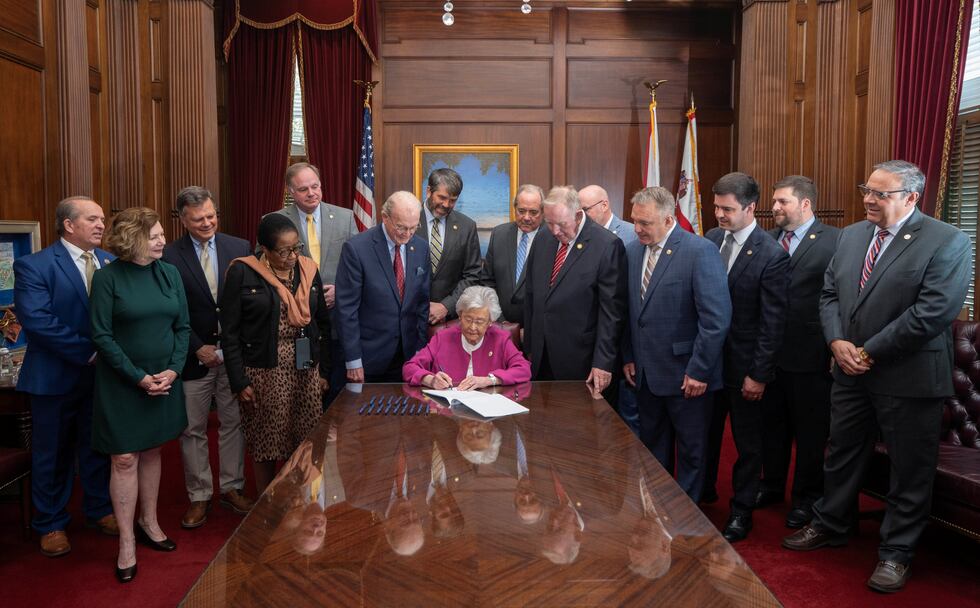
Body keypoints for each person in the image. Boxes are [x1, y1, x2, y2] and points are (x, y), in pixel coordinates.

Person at [783, 160, 972, 594]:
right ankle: (831, 524)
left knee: (909, 471)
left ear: (910, 198)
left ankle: (896, 554)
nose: (867, 199)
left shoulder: (948, 241)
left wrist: (868, 351)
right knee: (842, 455)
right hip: (849, 372)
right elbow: (829, 294)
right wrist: (836, 343)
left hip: (909, 377)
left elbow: (932, 313)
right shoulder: (851, 236)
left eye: (879, 193)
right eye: (865, 189)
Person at [89, 207, 190, 582]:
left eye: (162, 234)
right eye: (155, 235)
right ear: (132, 239)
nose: (163, 240)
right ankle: (126, 541)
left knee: (152, 450)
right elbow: (101, 335)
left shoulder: (170, 274)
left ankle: (150, 522)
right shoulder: (107, 278)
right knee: (125, 458)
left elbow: (183, 326)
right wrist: (139, 378)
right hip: (122, 383)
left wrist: (173, 371)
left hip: (165, 380)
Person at [13, 196, 117, 557]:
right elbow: (40, 323)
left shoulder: (111, 263)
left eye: (102, 218)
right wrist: (89, 353)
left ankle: (99, 509)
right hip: (53, 378)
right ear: (69, 225)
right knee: (52, 454)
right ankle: (51, 523)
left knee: (96, 447)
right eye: (93, 219)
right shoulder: (34, 266)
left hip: (101, 379)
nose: (102, 225)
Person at [622, 187, 731, 502]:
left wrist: (699, 371)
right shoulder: (632, 251)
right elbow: (630, 313)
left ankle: (686, 520)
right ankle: (657, 509)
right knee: (652, 448)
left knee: (691, 453)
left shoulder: (699, 251)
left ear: (669, 219)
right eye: (635, 222)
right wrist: (629, 356)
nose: (638, 229)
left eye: (645, 223)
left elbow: (716, 319)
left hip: (687, 377)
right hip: (645, 375)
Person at [703, 172, 790, 543]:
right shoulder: (709, 239)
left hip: (745, 370)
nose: (719, 214)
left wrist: (758, 374)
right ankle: (700, 497)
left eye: (728, 209)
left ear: (751, 208)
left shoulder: (771, 255)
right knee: (703, 436)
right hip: (707, 363)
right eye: (716, 206)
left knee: (748, 444)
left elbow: (773, 324)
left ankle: (741, 511)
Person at [162, 186, 254, 529]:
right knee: (192, 428)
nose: (207, 223)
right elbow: (170, 310)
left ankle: (232, 488)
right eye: (198, 218)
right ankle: (199, 495)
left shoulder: (239, 247)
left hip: (232, 354)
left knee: (233, 424)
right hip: (192, 355)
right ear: (183, 220)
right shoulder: (169, 255)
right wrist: (195, 345)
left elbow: (247, 303)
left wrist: (231, 346)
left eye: (212, 216)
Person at [220, 214, 331, 495]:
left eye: (297, 248)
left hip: (305, 371)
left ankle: (298, 503)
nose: (293, 256)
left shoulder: (308, 269)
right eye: (284, 251)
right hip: (263, 372)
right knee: (267, 445)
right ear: (265, 250)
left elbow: (323, 324)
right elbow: (229, 333)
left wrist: (323, 371)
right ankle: (266, 507)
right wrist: (239, 381)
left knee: (305, 441)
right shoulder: (243, 272)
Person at [757, 176, 839, 529]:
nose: (774, 208)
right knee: (771, 428)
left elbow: (839, 296)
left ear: (805, 204)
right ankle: (772, 485)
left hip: (811, 355)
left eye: (782, 202)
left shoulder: (836, 241)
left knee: (809, 434)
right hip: (769, 355)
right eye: (774, 201)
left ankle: (807, 498)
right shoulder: (765, 241)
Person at [522, 185, 627, 398]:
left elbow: (612, 313)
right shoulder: (543, 238)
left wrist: (603, 362)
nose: (555, 231)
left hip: (583, 362)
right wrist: (531, 348)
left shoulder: (607, 245)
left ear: (578, 216)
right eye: (549, 223)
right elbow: (532, 295)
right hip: (542, 359)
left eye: (561, 224)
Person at [275, 162, 358, 404]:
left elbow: (357, 265)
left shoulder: (345, 217)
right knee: (303, 393)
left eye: (315, 186)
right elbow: (267, 270)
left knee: (337, 389)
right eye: (303, 189)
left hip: (336, 315)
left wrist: (340, 291)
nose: (311, 193)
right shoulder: (275, 221)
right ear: (291, 191)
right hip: (295, 319)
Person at [335, 191, 430, 383]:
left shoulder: (421, 248)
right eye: (401, 227)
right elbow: (347, 310)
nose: (408, 234)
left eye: (414, 227)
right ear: (385, 217)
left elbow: (422, 303)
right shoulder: (357, 249)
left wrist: (420, 351)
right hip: (368, 357)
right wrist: (353, 360)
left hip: (408, 358)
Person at [402, 285, 531, 389]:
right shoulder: (442, 337)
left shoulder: (500, 339)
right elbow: (409, 368)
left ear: (490, 322)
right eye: (468, 319)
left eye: (480, 322)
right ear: (460, 316)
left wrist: (489, 380)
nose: (472, 327)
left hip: (488, 414)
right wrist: (430, 380)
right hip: (447, 414)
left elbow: (524, 369)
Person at [415, 168, 482, 325]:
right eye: (442, 197)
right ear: (428, 191)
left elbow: (473, 275)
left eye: (453, 200)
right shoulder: (409, 219)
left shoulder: (467, 227)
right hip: (408, 317)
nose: (446, 204)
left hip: (448, 320)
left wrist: (447, 305)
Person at [481, 184, 545, 324]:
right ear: (514, 208)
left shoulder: (552, 239)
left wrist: (530, 329)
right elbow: (487, 281)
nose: (527, 217)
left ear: (543, 212)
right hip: (500, 325)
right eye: (521, 211)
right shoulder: (499, 234)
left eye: (533, 212)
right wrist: (500, 319)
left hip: (537, 327)